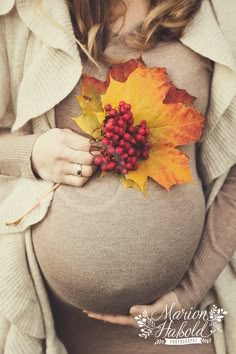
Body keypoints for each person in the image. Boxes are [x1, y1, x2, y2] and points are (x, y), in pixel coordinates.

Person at [0, 0, 236, 353]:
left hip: (180, 321)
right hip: (55, 321)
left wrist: (191, 289)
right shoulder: (29, 13)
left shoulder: (216, 13)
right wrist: (31, 153)